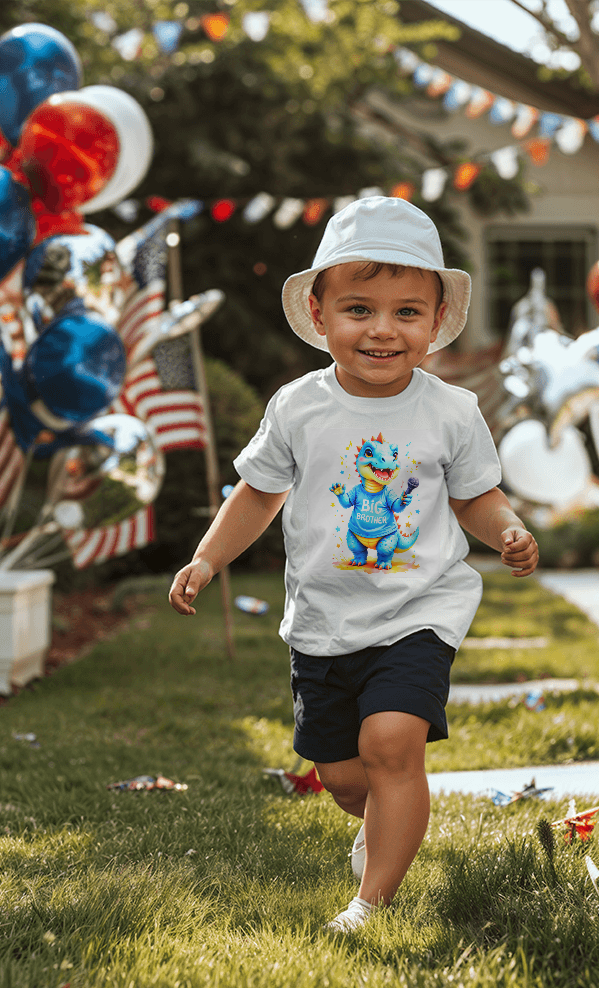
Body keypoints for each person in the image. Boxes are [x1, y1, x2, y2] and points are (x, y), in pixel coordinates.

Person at [169, 197, 538, 932]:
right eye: (359, 308)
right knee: (343, 776)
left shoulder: (452, 411)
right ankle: (374, 825)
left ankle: (370, 904)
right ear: (319, 313)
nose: (381, 329)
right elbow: (256, 495)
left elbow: (476, 497)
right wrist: (209, 558)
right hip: (324, 623)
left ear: (436, 321)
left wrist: (509, 530)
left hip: (418, 613)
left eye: (407, 312)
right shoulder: (298, 408)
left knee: (391, 744)